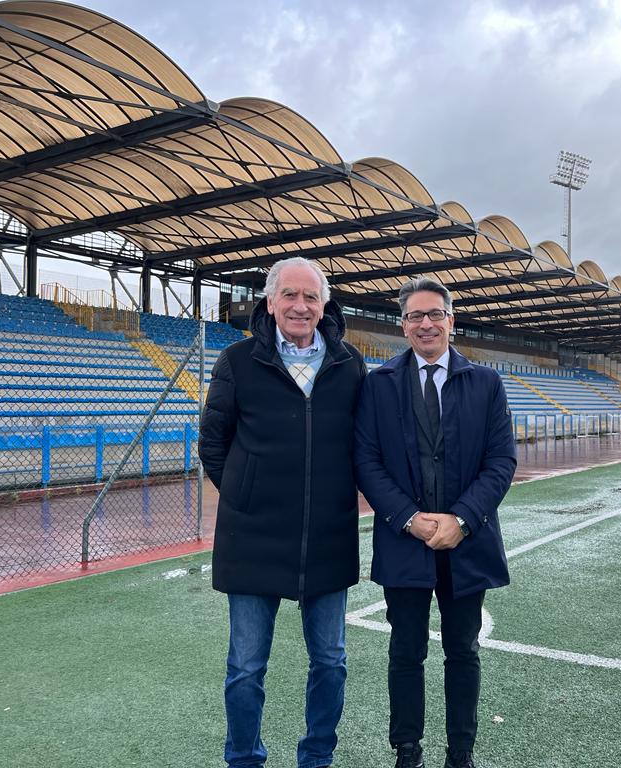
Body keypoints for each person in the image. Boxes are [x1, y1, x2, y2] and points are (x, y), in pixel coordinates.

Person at [199, 256, 367, 768]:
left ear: (324, 305)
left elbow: (363, 444)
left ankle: (317, 757)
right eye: (289, 296)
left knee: (332, 662)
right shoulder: (237, 360)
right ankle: (244, 758)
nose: (300, 306)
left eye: (310, 297)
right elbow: (213, 443)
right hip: (253, 538)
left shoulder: (348, 363)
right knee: (246, 667)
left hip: (328, 536)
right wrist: (247, 497)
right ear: (269, 303)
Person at [354, 276, 517, 768]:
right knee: (406, 651)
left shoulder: (485, 383)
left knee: (462, 651)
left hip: (467, 543)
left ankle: (460, 752)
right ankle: (407, 750)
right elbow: (366, 460)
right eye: (414, 316)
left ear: (451, 320)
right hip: (405, 540)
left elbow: (500, 461)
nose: (425, 324)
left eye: (434, 314)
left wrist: (463, 520)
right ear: (403, 326)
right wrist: (408, 519)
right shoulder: (378, 384)